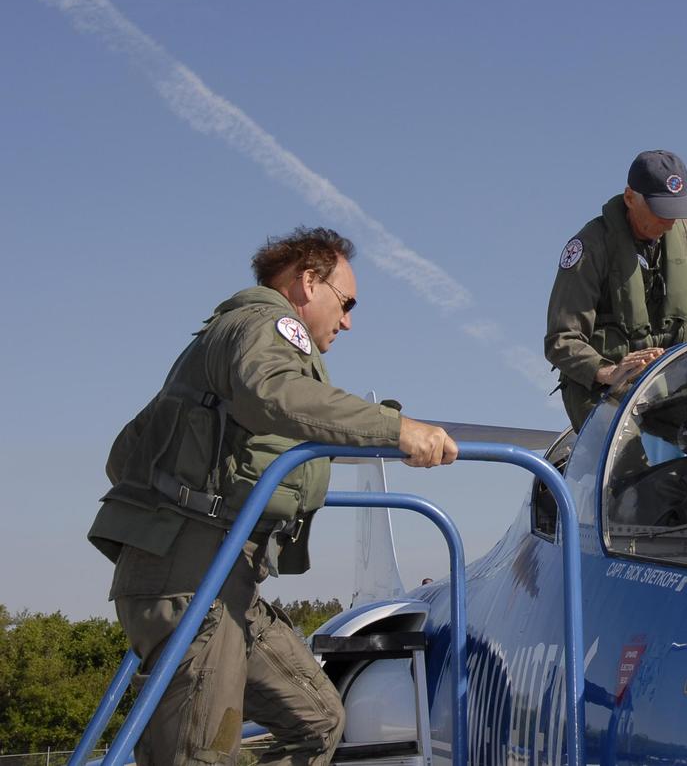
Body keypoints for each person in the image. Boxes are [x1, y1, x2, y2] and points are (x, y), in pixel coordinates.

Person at [88, 227, 457, 766]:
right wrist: (394, 429)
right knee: (200, 755)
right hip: (193, 584)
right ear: (309, 283)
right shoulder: (265, 324)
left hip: (224, 582)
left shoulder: (231, 339)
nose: (349, 320)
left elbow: (132, 455)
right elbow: (276, 395)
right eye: (346, 302)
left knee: (319, 720)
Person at [545, 149, 687, 430]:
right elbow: (561, 340)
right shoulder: (591, 248)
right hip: (603, 390)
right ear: (629, 199)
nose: (669, 221)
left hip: (668, 378)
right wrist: (608, 371)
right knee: (633, 462)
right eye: (660, 211)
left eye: (676, 211)